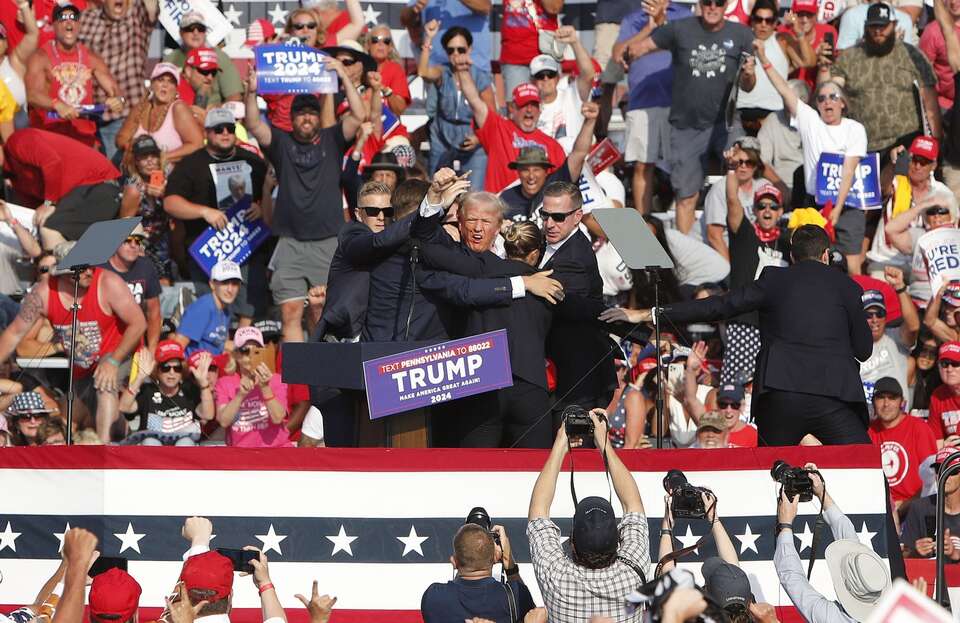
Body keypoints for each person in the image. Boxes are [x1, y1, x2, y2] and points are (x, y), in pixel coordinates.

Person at [604, 225, 872, 445]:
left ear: (791, 256)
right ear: (826, 255)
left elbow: (717, 306)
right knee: (865, 470)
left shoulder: (774, 280)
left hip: (781, 396)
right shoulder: (848, 287)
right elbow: (863, 350)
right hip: (835, 397)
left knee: (774, 475)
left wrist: (647, 313)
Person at [244, 58, 365, 344]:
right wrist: (251, 91)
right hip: (290, 243)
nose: (307, 118)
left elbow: (358, 116)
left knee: (327, 314)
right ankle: (298, 383)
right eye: (301, 114)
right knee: (290, 312)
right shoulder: (281, 143)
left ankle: (325, 381)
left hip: (327, 242)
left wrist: (343, 76)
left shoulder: (333, 138)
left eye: (312, 113)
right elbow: (252, 124)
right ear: (293, 118)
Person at [415, 219, 559, 448]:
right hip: (530, 385)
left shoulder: (482, 270)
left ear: (506, 246)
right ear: (535, 254)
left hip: (484, 384)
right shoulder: (549, 285)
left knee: (476, 470)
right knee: (535, 472)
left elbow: (430, 250)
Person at [621, 0, 757, 235]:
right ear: (699, 4)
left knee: (740, 181)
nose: (712, 7)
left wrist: (749, 74)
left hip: (725, 124)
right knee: (686, 196)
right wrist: (629, 54)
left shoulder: (741, 33)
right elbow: (637, 49)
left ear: (727, 6)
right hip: (686, 127)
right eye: (707, 2)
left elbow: (748, 86)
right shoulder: (680, 28)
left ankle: (739, 244)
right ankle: (687, 257)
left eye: (719, 2)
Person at [755, 41, 868, 273]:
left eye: (833, 96)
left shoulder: (854, 128)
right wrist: (764, 59)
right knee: (812, 265)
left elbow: (848, 170)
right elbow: (784, 90)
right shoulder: (810, 121)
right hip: (814, 205)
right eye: (822, 97)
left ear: (843, 103)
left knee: (852, 267)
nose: (827, 101)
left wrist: (836, 210)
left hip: (847, 205)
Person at [0, 265, 145, 442]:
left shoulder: (108, 282)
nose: (90, 272)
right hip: (81, 367)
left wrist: (114, 361)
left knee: (104, 384)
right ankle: (121, 434)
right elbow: (14, 333)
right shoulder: (44, 292)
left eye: (91, 267)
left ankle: (104, 451)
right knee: (78, 418)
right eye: (83, 269)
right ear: (65, 272)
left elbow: (139, 323)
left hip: (119, 352)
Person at [527, 410, 649, 621]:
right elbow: (633, 504)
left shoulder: (557, 578)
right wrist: (604, 444)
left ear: (572, 543)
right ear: (618, 542)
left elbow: (539, 512)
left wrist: (559, 447)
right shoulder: (633, 572)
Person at [163, 106, 265, 318]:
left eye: (230, 128)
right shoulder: (191, 164)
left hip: (246, 247)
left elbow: (272, 192)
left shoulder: (252, 161)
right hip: (206, 251)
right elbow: (170, 203)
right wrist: (204, 212)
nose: (226, 133)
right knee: (209, 312)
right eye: (218, 129)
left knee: (248, 311)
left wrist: (261, 206)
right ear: (207, 133)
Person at [775, 463, 891, 622]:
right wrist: (822, 494)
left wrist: (785, 524)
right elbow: (851, 544)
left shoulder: (833, 618)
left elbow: (792, 578)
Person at [537, 181, 616, 411]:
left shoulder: (575, 258)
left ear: (578, 216)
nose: (549, 224)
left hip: (575, 380)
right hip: (561, 374)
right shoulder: (548, 242)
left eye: (558, 217)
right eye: (545, 215)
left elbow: (552, 304)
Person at [826, 2, 940, 161]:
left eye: (883, 26)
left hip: (904, 143)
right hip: (861, 146)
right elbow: (831, 91)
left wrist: (936, 141)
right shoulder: (849, 58)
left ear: (893, 25)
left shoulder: (911, 54)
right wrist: (824, 67)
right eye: (873, 27)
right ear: (866, 27)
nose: (878, 32)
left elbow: (929, 100)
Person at [614, 0, 694, 216]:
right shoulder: (633, 19)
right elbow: (617, 55)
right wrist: (649, 28)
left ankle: (681, 225)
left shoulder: (685, 14)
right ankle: (644, 226)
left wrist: (663, 23)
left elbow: (693, 47)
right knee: (642, 165)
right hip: (642, 100)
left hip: (679, 101)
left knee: (682, 166)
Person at [458, 58, 566, 192]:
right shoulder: (498, 129)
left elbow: (562, 187)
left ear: (540, 110)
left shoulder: (553, 146)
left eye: (534, 105)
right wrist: (462, 71)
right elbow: (474, 101)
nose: (529, 110)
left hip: (537, 210)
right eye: (523, 105)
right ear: (512, 109)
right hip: (501, 208)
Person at [3, 128, 121, 250]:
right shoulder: (11, 176)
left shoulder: (17, 141)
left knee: (49, 229)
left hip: (96, 181)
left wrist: (49, 202)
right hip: (76, 196)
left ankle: (63, 267)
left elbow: (52, 162)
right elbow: (33, 211)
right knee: (42, 228)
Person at [25, 3, 124, 148]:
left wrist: (117, 100)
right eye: (63, 18)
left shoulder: (91, 57)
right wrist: (57, 105)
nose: (69, 22)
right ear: (54, 24)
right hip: (50, 138)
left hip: (83, 138)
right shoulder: (40, 57)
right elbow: (32, 95)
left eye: (73, 18)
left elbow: (114, 90)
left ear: (79, 24)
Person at [77, 0, 158, 161]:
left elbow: (151, 8)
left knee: (121, 169)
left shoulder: (136, 16)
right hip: (88, 113)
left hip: (126, 114)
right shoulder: (86, 18)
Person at [418, 23, 492, 188]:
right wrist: (428, 39)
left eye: (461, 49)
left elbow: (492, 116)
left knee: (473, 197)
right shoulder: (443, 72)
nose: (456, 54)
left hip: (473, 142)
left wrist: (479, 137)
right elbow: (423, 73)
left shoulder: (481, 77)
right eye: (451, 50)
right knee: (438, 192)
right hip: (442, 138)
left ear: (470, 49)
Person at [871, 136, 956, 280]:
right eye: (915, 160)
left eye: (923, 162)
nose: (917, 166)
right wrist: (893, 164)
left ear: (933, 166)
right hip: (885, 261)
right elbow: (882, 187)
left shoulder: (943, 194)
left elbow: (953, 233)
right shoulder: (896, 181)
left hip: (923, 266)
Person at [498, 102, 598, 221]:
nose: (531, 176)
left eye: (536, 170)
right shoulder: (506, 199)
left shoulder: (557, 184)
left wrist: (589, 121)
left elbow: (579, 153)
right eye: (525, 170)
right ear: (518, 172)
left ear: (546, 171)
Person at [420, 522, 535, 622]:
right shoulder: (514, 596)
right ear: (496, 557)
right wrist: (510, 567)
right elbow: (533, 616)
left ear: (454, 562)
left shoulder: (433, 596)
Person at [700, 137, 787, 261]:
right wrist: (731, 271)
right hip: (716, 255)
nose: (743, 167)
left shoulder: (763, 185)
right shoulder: (719, 189)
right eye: (739, 162)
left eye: (749, 162)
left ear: (757, 165)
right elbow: (714, 236)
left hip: (746, 253)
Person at [736, 0, 816, 133]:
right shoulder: (740, 39)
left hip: (774, 114)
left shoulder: (781, 40)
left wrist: (799, 32)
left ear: (775, 23)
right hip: (742, 111)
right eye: (759, 19)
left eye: (768, 20)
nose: (763, 24)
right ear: (752, 20)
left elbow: (808, 62)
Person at [119, 341, 214, 446]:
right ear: (157, 370)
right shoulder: (147, 391)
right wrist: (140, 377)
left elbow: (208, 415)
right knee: (150, 442)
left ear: (182, 371)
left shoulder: (190, 390)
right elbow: (124, 407)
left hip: (183, 450)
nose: (171, 372)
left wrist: (204, 384)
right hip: (152, 451)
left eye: (177, 368)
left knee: (185, 443)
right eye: (166, 368)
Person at [215, 326, 292, 448]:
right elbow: (223, 421)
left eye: (256, 350)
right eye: (245, 350)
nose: (250, 355)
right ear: (235, 354)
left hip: (276, 450)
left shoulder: (276, 380)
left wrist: (265, 388)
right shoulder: (225, 383)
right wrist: (240, 396)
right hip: (241, 453)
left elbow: (278, 418)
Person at [868, 376, 938, 506]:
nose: (886, 404)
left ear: (902, 402)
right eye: (881, 397)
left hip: (916, 505)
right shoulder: (868, 432)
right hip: (878, 507)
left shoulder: (918, 428)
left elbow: (932, 478)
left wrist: (905, 506)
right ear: (873, 402)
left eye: (892, 398)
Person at [116, 62, 203, 164]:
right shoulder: (141, 106)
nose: (165, 85)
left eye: (171, 82)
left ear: (176, 89)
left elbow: (197, 145)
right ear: (152, 84)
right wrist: (135, 151)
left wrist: (161, 158)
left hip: (171, 174)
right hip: (139, 173)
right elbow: (121, 138)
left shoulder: (178, 108)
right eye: (160, 80)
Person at [118, 135, 172, 282]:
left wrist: (166, 193)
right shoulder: (133, 187)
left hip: (165, 243)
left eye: (153, 155)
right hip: (142, 246)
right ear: (136, 161)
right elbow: (124, 226)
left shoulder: (168, 177)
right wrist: (146, 190)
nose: (149, 160)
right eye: (144, 156)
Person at [100, 226, 161, 353]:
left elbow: (154, 312)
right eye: (127, 240)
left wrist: (152, 350)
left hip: (135, 342)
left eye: (137, 241)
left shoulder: (146, 266)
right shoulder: (99, 269)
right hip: (104, 343)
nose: (133, 245)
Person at [530, 27, 596, 142]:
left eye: (550, 74)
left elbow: (588, 74)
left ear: (557, 78)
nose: (546, 78)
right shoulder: (528, 108)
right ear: (532, 81)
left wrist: (574, 42)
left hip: (572, 158)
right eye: (540, 75)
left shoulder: (571, 96)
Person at [163, 12, 242, 107]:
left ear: (205, 33)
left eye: (200, 29)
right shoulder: (170, 60)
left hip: (214, 115)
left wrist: (215, 111)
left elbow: (235, 97)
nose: (195, 33)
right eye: (190, 29)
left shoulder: (219, 57)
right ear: (181, 32)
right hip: (178, 113)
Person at [860, 281, 919, 403]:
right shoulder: (851, 345)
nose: (874, 320)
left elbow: (913, 326)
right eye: (868, 315)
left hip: (897, 418)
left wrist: (900, 288)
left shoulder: (895, 338)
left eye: (879, 314)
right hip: (864, 419)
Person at [901, 446, 960, 561]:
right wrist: (916, 553)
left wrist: (955, 555)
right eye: (939, 469)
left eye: (951, 470)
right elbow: (902, 558)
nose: (944, 475)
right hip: (928, 576)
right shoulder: (919, 508)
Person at [402, 0, 493, 73]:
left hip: (473, 65)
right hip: (436, 69)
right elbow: (404, 19)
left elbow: (485, 6)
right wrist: (415, 9)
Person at [174, 261, 242, 356]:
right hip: (195, 367)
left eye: (235, 284)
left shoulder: (225, 309)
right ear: (212, 284)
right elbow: (177, 348)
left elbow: (220, 342)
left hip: (213, 366)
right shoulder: (202, 308)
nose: (230, 290)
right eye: (225, 283)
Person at [498, 0, 560, 97]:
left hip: (546, 55)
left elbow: (554, 7)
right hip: (514, 56)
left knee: (552, 105)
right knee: (517, 107)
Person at [365, 24, 410, 115]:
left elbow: (399, 109)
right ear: (368, 45)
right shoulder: (359, 68)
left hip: (388, 125)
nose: (381, 44)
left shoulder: (395, 70)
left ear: (390, 48)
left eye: (386, 41)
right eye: (375, 40)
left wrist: (384, 90)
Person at [837, 0, 918, 50]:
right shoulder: (852, 15)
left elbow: (907, 57)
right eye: (873, 26)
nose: (878, 30)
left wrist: (895, 45)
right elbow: (843, 56)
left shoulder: (904, 18)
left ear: (894, 24)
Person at [928, 341, 960, 448]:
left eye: (955, 364)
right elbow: (936, 442)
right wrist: (945, 447)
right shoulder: (937, 396)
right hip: (952, 459)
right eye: (945, 364)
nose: (949, 369)